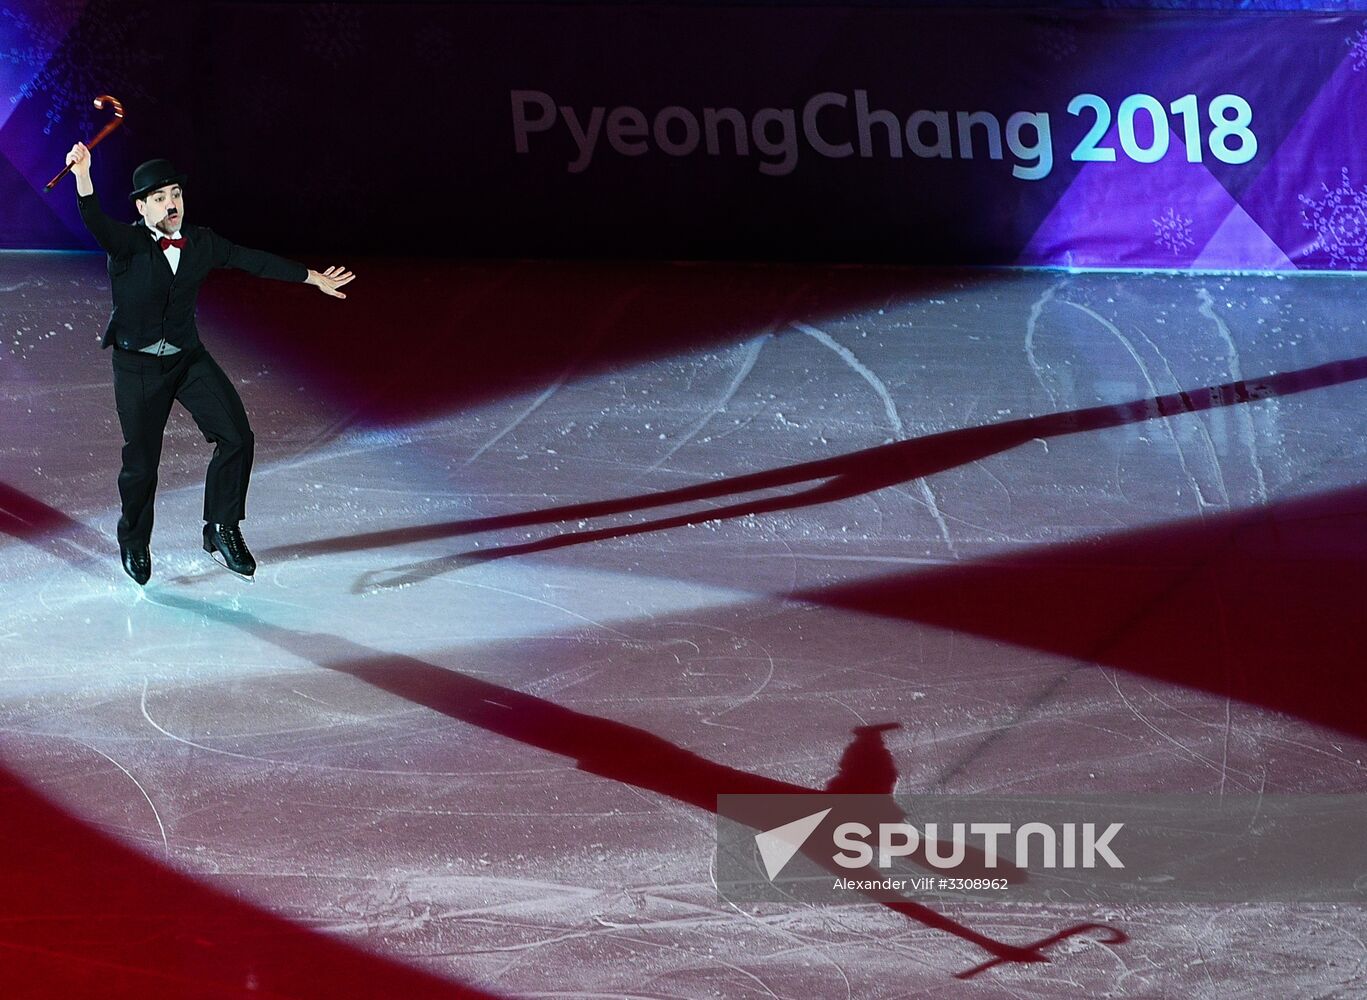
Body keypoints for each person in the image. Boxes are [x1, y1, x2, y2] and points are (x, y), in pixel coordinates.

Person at [64, 141, 356, 584]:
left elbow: (249, 260)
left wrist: (311, 277)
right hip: (138, 370)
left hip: (186, 359)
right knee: (142, 465)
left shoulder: (201, 243)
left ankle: (221, 527)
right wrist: (83, 174)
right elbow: (94, 220)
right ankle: (135, 540)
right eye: (160, 197)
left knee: (237, 435)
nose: (171, 203)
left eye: (176, 194)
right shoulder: (127, 244)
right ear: (142, 207)